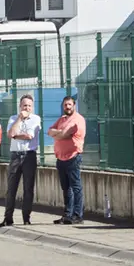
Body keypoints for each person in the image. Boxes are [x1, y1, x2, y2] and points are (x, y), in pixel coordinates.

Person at [0, 94, 41, 227]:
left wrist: (16, 136)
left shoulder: (36, 119)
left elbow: (29, 136)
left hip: (29, 155)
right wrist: (19, 119)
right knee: (11, 188)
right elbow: (10, 134)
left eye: (29, 105)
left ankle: (26, 218)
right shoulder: (13, 118)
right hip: (15, 155)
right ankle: (8, 217)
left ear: (32, 107)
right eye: (24, 105)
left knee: (28, 188)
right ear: (20, 106)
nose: (26, 108)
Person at [48, 95, 86, 225]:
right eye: (65, 105)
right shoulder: (62, 119)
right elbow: (49, 131)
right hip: (61, 158)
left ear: (74, 105)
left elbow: (66, 134)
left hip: (73, 157)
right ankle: (67, 214)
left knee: (76, 187)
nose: (67, 107)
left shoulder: (78, 120)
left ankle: (77, 215)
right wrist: (60, 133)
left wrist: (58, 134)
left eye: (69, 104)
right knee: (66, 188)